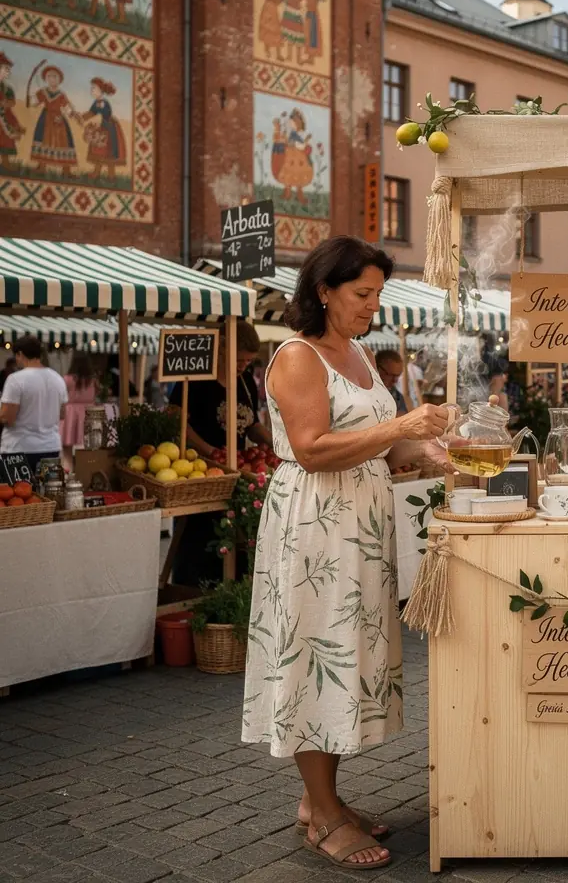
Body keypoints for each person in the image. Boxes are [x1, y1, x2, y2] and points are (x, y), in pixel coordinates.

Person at [241, 236, 450, 869]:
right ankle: (323, 815)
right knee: (313, 655)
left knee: (344, 655)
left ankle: (321, 799)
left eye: (379, 294)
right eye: (363, 294)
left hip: (359, 524)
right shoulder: (298, 356)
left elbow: (381, 450)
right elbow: (311, 447)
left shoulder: (357, 353)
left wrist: (447, 456)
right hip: (316, 526)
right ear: (324, 290)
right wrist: (403, 427)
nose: (372, 306)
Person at [167, 321, 273, 585]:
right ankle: (193, 592)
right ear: (222, 348)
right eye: (239, 359)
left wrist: (275, 443)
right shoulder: (198, 378)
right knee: (199, 544)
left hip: (236, 473)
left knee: (231, 542)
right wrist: (210, 450)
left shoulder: (246, 381)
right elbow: (176, 420)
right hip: (199, 472)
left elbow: (251, 425)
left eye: (248, 361)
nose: (243, 366)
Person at [0, 336, 68, 474]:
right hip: (50, 448)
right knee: (46, 494)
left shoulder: (15, 380)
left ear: (20, 354)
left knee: (18, 494)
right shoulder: (57, 379)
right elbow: (62, 414)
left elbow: (7, 418)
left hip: (19, 448)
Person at [61, 351, 97, 464]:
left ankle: (70, 469)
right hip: (88, 413)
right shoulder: (93, 380)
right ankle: (84, 468)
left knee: (67, 446)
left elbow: (62, 396)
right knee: (87, 445)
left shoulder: (67, 379)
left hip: (70, 413)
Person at [374, 349, 407, 414]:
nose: (395, 380)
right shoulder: (363, 393)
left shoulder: (398, 397)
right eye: (391, 375)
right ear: (376, 368)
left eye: (398, 376)